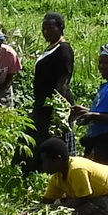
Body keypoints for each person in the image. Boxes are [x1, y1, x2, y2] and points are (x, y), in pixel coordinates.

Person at [30, 13, 75, 142]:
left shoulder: (64, 49)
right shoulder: (52, 47)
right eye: (44, 28)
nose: (46, 32)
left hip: (53, 107)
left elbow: (63, 79)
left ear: (60, 28)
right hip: (43, 105)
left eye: (50, 28)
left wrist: (57, 108)